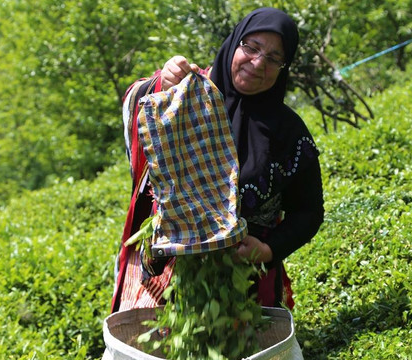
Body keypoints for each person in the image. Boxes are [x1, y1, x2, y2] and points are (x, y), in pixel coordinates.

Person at [110, 7, 323, 313]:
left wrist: (267, 250)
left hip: (244, 281)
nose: (258, 62)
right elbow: (141, 104)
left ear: (283, 67)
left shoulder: (289, 133)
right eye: (251, 47)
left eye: (274, 58)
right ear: (235, 42)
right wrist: (163, 83)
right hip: (169, 266)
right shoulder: (188, 95)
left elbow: (309, 212)